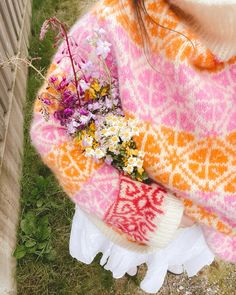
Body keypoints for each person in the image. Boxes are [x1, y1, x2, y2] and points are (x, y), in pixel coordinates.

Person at [30, 0, 236, 293]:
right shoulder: (116, 21)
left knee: (172, 259)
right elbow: (50, 122)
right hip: (145, 206)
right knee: (129, 256)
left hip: (204, 230)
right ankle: (130, 266)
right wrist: (146, 211)